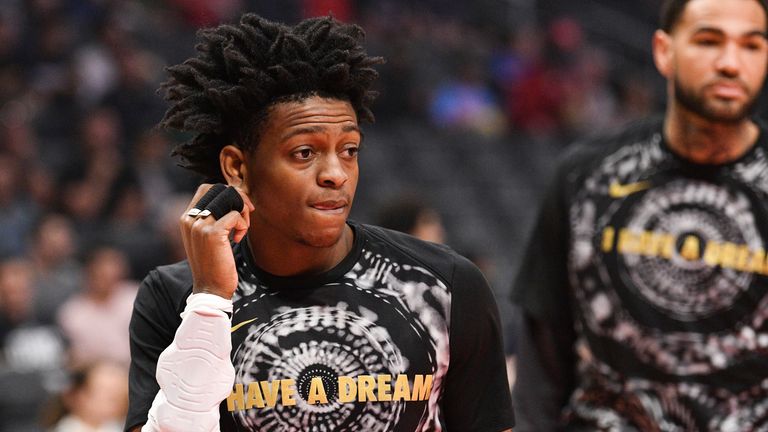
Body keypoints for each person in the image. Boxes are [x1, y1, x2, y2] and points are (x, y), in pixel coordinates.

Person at [125, 14, 514, 432]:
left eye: (349, 150)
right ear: (237, 167)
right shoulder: (175, 296)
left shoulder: (446, 286)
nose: (337, 174)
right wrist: (210, 301)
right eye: (304, 153)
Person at [511, 0, 768, 430]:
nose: (730, 63)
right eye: (709, 41)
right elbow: (542, 363)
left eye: (752, 45)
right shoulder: (587, 177)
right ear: (664, 51)